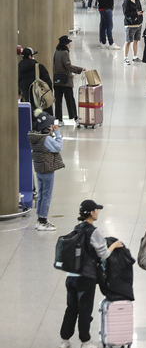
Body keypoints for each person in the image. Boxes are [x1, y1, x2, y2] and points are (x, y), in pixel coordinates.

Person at [59, 200, 123, 348]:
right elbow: (104, 255)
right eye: (97, 210)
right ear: (92, 213)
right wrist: (114, 245)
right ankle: (85, 341)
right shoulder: (95, 231)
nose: (98, 212)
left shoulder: (77, 228)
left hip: (71, 276)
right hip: (85, 278)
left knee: (71, 308)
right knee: (85, 310)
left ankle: (65, 340)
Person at [27, 110, 64, 231]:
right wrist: (57, 133)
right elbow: (58, 147)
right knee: (47, 195)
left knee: (42, 194)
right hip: (47, 169)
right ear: (47, 126)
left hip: (39, 169)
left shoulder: (35, 137)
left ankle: (40, 219)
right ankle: (43, 221)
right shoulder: (46, 139)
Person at [53, 36, 85, 126]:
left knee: (58, 101)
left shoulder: (56, 52)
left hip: (56, 80)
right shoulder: (65, 53)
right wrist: (80, 69)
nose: (69, 44)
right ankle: (75, 117)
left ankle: (59, 120)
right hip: (65, 80)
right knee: (70, 100)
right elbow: (69, 66)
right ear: (65, 44)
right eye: (68, 43)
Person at [122, 0, 143, 65]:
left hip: (138, 23)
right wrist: (135, 14)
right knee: (128, 41)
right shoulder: (126, 1)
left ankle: (135, 56)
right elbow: (126, 13)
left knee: (136, 40)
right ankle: (125, 58)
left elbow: (139, 8)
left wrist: (140, 18)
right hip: (130, 25)